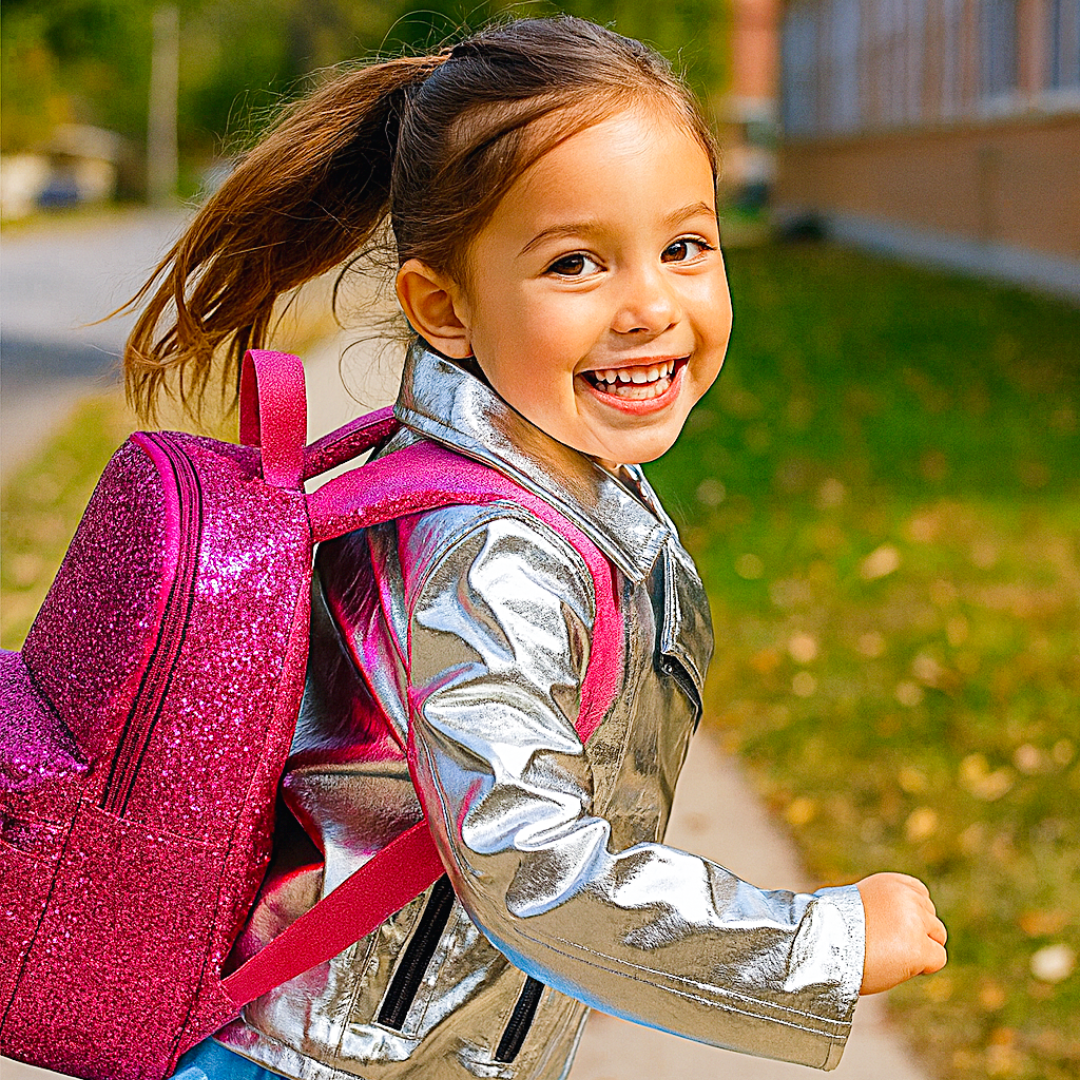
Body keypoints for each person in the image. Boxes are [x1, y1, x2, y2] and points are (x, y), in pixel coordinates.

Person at [124, 17, 947, 1080]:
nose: (650, 306)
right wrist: (814, 946)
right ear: (444, 307)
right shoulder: (489, 549)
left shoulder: (553, 481)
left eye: (685, 247)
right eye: (575, 263)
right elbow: (529, 864)